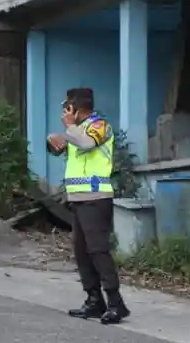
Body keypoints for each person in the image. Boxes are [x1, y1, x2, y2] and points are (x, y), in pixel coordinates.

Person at [47, 87, 129, 325]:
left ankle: (116, 303)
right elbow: (71, 152)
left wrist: (70, 128)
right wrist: (54, 143)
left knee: (98, 250)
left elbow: (85, 145)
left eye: (68, 106)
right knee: (82, 252)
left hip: (96, 198)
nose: (65, 111)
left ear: (76, 107)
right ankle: (94, 300)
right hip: (78, 199)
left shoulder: (99, 125)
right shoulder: (78, 129)